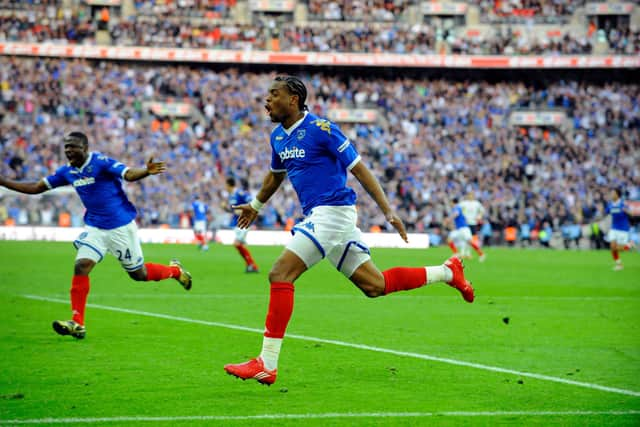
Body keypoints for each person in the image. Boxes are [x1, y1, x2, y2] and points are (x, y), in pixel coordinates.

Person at [223, 76, 475, 385]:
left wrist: (388, 210)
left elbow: (358, 167)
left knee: (280, 273)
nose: (267, 100)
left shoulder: (321, 130)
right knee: (375, 285)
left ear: (293, 99)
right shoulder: (278, 137)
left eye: (274, 95)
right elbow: (275, 177)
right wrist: (256, 204)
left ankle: (267, 363)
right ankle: (448, 272)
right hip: (323, 216)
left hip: (333, 212)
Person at [0, 132, 192, 339]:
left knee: (139, 274)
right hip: (95, 228)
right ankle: (77, 323)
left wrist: (146, 171)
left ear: (85, 147)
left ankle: (174, 271)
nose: (68, 151)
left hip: (120, 227)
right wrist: (3, 181)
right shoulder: (67, 171)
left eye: (72, 147)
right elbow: (36, 187)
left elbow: (128, 174)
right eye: (66, 147)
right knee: (81, 265)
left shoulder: (101, 162)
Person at [225, 177, 259, 273]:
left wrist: (244, 212)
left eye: (225, 185)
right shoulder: (232, 195)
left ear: (228, 185)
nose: (225, 187)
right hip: (237, 223)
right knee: (240, 245)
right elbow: (233, 211)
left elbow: (251, 202)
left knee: (237, 244)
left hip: (244, 222)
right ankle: (250, 266)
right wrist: (225, 208)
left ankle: (252, 265)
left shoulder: (239, 193)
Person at [604, 188, 632, 270]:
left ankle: (629, 245)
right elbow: (606, 212)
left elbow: (631, 213)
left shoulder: (623, 204)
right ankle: (619, 264)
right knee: (612, 247)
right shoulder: (610, 204)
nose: (611, 195)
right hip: (614, 227)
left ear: (617, 194)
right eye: (611, 193)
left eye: (613, 193)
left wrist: (626, 211)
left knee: (621, 249)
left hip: (623, 228)